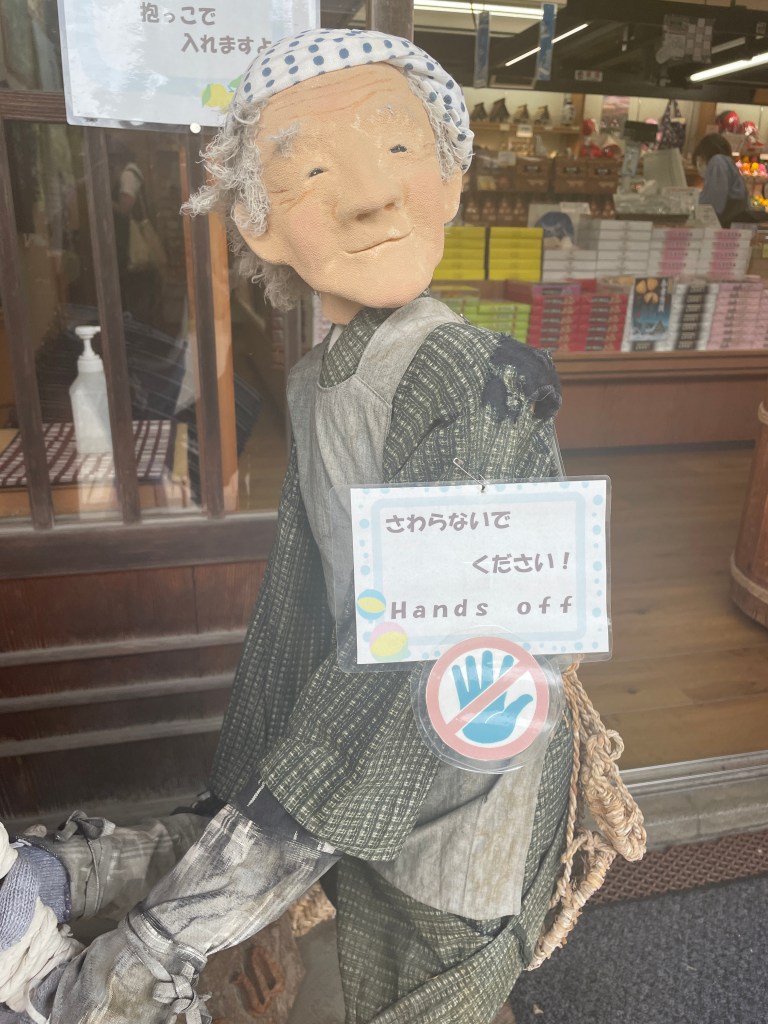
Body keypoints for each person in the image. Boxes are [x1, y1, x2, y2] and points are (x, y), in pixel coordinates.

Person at [0, 29, 639, 1024]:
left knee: (425, 972)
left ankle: (67, 887)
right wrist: (247, 795)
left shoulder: (474, 379)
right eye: (312, 169)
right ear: (256, 225)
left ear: (451, 179)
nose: (372, 195)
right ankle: (70, 884)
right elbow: (299, 604)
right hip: (370, 763)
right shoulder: (316, 382)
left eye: (399, 148)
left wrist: (225, 870)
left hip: (466, 777)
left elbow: (459, 646)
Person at [693, 133, 760, 227]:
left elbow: (714, 203)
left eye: (699, 160)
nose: (699, 165)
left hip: (730, 224)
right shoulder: (727, 163)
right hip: (738, 223)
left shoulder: (717, 162)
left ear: (704, 154)